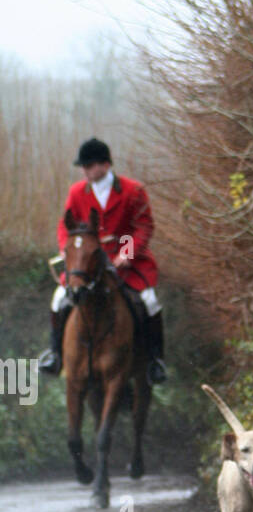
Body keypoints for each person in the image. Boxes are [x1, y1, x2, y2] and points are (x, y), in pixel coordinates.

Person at [38, 138, 168, 384]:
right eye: (84, 166)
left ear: (105, 165)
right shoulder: (77, 192)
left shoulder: (133, 190)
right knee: (58, 299)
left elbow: (143, 225)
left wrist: (127, 253)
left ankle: (155, 361)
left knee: (150, 301)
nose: (85, 171)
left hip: (126, 263)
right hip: (87, 263)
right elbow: (65, 224)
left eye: (89, 165)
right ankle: (55, 355)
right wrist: (67, 249)